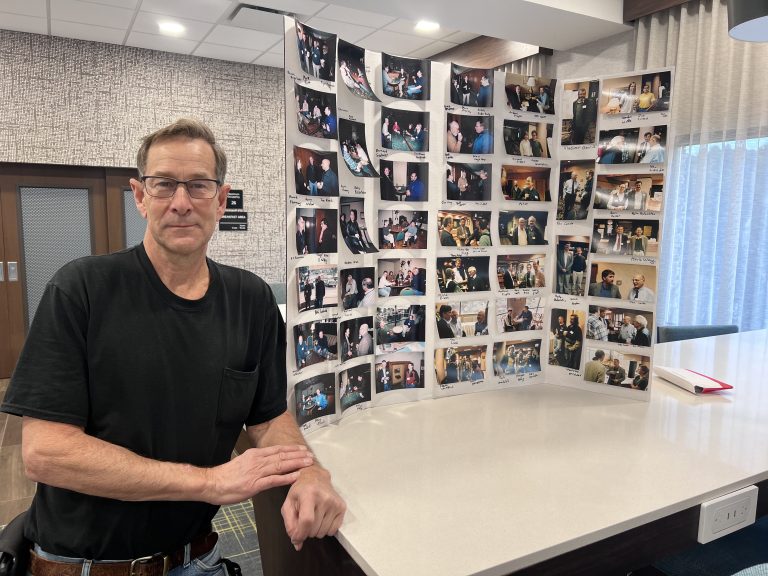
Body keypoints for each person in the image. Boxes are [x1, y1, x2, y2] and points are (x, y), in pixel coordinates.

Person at [0, 119, 345, 571]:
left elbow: (267, 417)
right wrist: (209, 483)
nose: (181, 203)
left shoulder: (251, 299)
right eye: (164, 185)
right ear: (140, 196)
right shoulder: (81, 289)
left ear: (221, 201)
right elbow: (47, 454)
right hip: (83, 563)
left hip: (198, 558)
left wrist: (308, 471)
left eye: (199, 186)